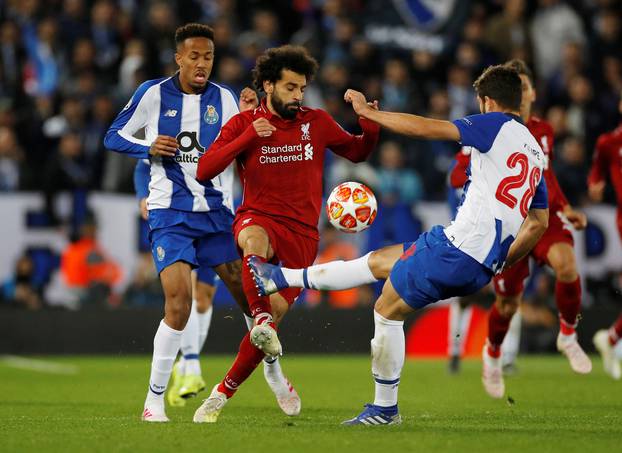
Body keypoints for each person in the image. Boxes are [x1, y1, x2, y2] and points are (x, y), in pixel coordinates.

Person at [252, 64, 549, 425]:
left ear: (487, 101)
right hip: (470, 254)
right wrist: (501, 261)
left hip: (459, 251)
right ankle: (281, 278)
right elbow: (538, 223)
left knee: (385, 310)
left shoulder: (493, 125)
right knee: (378, 262)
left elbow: (429, 128)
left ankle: (384, 409)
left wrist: (369, 114)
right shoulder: (535, 150)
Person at [104, 23, 297, 422]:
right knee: (179, 303)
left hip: (216, 216)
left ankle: (274, 371)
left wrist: (250, 115)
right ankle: (153, 401)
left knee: (253, 300)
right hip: (169, 214)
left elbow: (253, 138)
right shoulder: (153, 94)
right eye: (193, 56)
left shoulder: (224, 99)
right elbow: (113, 136)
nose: (201, 64)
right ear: (178, 58)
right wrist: (147, 144)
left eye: (207, 57)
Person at [192, 45, 380, 423]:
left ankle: (226, 388)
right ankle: (258, 324)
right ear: (268, 85)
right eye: (291, 88)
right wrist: (248, 137)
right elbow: (204, 170)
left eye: (302, 89)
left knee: (269, 331)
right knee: (253, 244)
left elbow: (359, 152)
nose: (298, 96)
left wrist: (369, 119)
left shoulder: (318, 122)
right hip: (258, 217)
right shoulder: (245, 123)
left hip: (303, 237)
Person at [450, 60, 592, 392]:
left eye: (526, 87)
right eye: (520, 88)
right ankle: (494, 354)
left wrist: (566, 206)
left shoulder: (544, 131)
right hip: (509, 222)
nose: (524, 93)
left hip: (542, 216)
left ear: (532, 92)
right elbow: (458, 173)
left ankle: (568, 335)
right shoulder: (487, 131)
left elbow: (546, 175)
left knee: (567, 265)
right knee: (508, 303)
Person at [133, 158, 216, 407]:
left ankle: (185, 366)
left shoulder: (230, 124)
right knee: (184, 289)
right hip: (181, 215)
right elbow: (141, 165)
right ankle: (192, 366)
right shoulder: (180, 126)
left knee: (203, 300)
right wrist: (142, 195)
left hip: (217, 216)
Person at [588, 91, 622, 380]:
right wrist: (595, 184)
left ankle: (611, 339)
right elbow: (595, 173)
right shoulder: (609, 143)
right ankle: (611, 339)